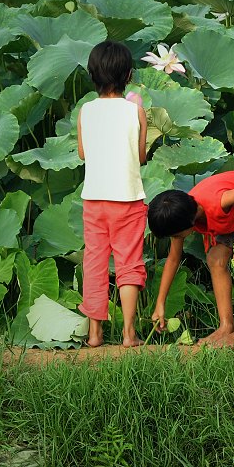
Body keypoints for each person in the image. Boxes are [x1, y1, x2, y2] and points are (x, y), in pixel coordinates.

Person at [147, 171, 234, 347]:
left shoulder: (218, 202)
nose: (175, 238)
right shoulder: (182, 213)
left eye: (175, 235)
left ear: (189, 223)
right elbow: (173, 260)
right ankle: (226, 326)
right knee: (215, 259)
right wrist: (160, 303)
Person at [77, 40, 148, 348]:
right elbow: (141, 156)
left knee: (94, 263)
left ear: (92, 76)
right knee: (128, 263)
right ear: (129, 75)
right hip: (128, 199)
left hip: (94, 199)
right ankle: (129, 334)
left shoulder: (86, 111)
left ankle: (94, 334)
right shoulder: (136, 111)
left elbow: (82, 154)